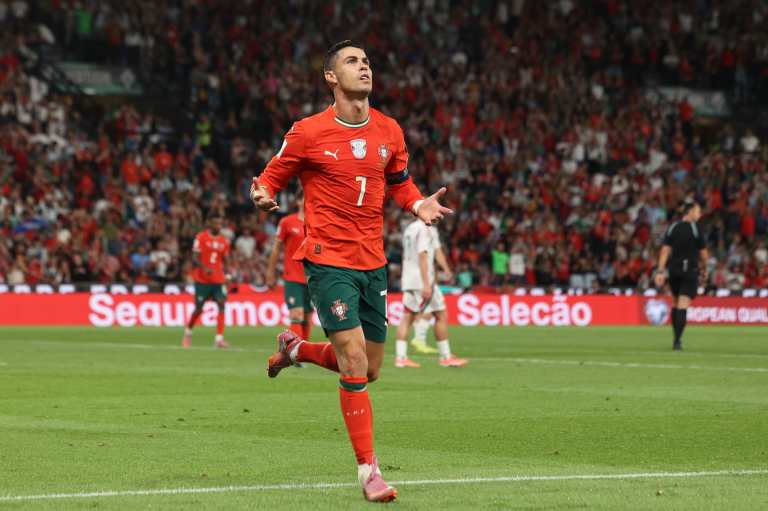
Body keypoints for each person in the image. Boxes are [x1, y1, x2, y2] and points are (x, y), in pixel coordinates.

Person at [250, 40, 452, 503]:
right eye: (352, 61)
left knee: (370, 368)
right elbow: (270, 177)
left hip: (373, 262)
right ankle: (368, 471)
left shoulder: (389, 130)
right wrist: (262, 195)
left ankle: (296, 349)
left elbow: (400, 183)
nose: (364, 67)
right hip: (326, 259)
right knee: (355, 359)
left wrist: (418, 204)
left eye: (367, 61)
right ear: (331, 77)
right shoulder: (307, 132)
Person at [395, 219, 468, 368]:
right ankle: (446, 357)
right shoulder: (425, 229)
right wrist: (427, 283)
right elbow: (423, 256)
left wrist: (445, 270)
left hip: (408, 278)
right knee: (441, 314)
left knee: (407, 317)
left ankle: (401, 358)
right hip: (422, 280)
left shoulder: (410, 228)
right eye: (435, 210)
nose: (438, 214)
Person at [654, 198, 708, 350]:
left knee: (675, 303)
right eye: (698, 211)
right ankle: (677, 340)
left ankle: (675, 338)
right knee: (683, 304)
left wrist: (660, 270)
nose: (700, 214)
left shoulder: (673, 227)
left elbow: (665, 250)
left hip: (674, 271)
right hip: (690, 271)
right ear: (690, 212)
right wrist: (704, 269)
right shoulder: (696, 229)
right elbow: (704, 254)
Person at [266, 191, 314, 340]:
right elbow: (276, 249)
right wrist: (270, 273)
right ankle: (296, 350)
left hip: (313, 277)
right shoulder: (287, 222)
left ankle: (304, 349)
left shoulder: (317, 223)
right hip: (293, 277)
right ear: (298, 201)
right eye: (306, 198)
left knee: (307, 316)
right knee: (296, 314)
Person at [182, 215, 231, 349]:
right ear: (210, 223)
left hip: (218, 280)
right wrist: (204, 268)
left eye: (220, 224)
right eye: (216, 223)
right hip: (202, 280)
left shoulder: (224, 241)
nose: (218, 226)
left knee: (221, 304)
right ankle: (188, 332)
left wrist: (228, 275)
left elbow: (226, 259)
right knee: (199, 308)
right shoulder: (201, 237)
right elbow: (194, 257)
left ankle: (219, 339)